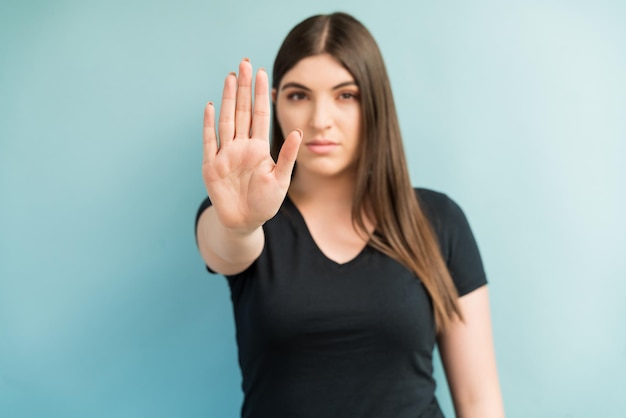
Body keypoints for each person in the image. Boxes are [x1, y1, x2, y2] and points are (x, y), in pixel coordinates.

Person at [195, 12, 504, 418]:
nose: (320, 120)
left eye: (346, 95)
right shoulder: (239, 215)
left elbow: (478, 399)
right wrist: (242, 225)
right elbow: (227, 248)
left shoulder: (439, 220)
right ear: (275, 104)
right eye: (298, 95)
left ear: (374, 103)